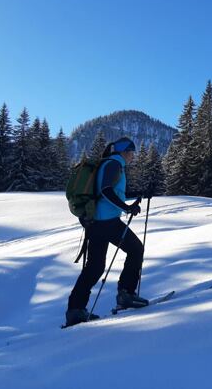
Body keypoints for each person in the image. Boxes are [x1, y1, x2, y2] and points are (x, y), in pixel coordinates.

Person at [65, 137, 149, 326]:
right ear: (123, 152)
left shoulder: (108, 165)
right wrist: (126, 208)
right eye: (131, 152)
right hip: (107, 221)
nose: (132, 156)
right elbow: (106, 190)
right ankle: (126, 294)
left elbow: (112, 190)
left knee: (95, 267)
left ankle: (75, 310)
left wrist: (134, 197)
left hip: (96, 222)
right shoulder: (113, 164)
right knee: (136, 249)